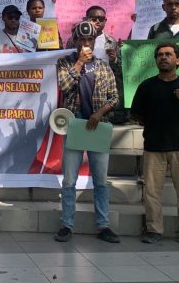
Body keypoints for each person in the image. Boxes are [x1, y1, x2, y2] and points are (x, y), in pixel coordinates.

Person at [55, 21, 119, 243]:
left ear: (94, 41)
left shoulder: (103, 66)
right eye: (81, 39)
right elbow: (64, 86)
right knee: (69, 180)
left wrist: (99, 113)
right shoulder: (65, 62)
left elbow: (114, 97)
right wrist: (80, 62)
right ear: (75, 41)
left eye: (89, 39)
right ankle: (66, 224)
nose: (85, 43)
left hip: (97, 126)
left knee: (101, 180)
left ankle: (103, 225)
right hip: (74, 126)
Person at [130, 43, 179, 244]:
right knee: (151, 192)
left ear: (177, 60)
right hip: (154, 146)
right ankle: (154, 230)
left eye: (168, 54)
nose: (163, 57)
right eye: (159, 55)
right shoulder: (147, 86)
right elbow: (136, 114)